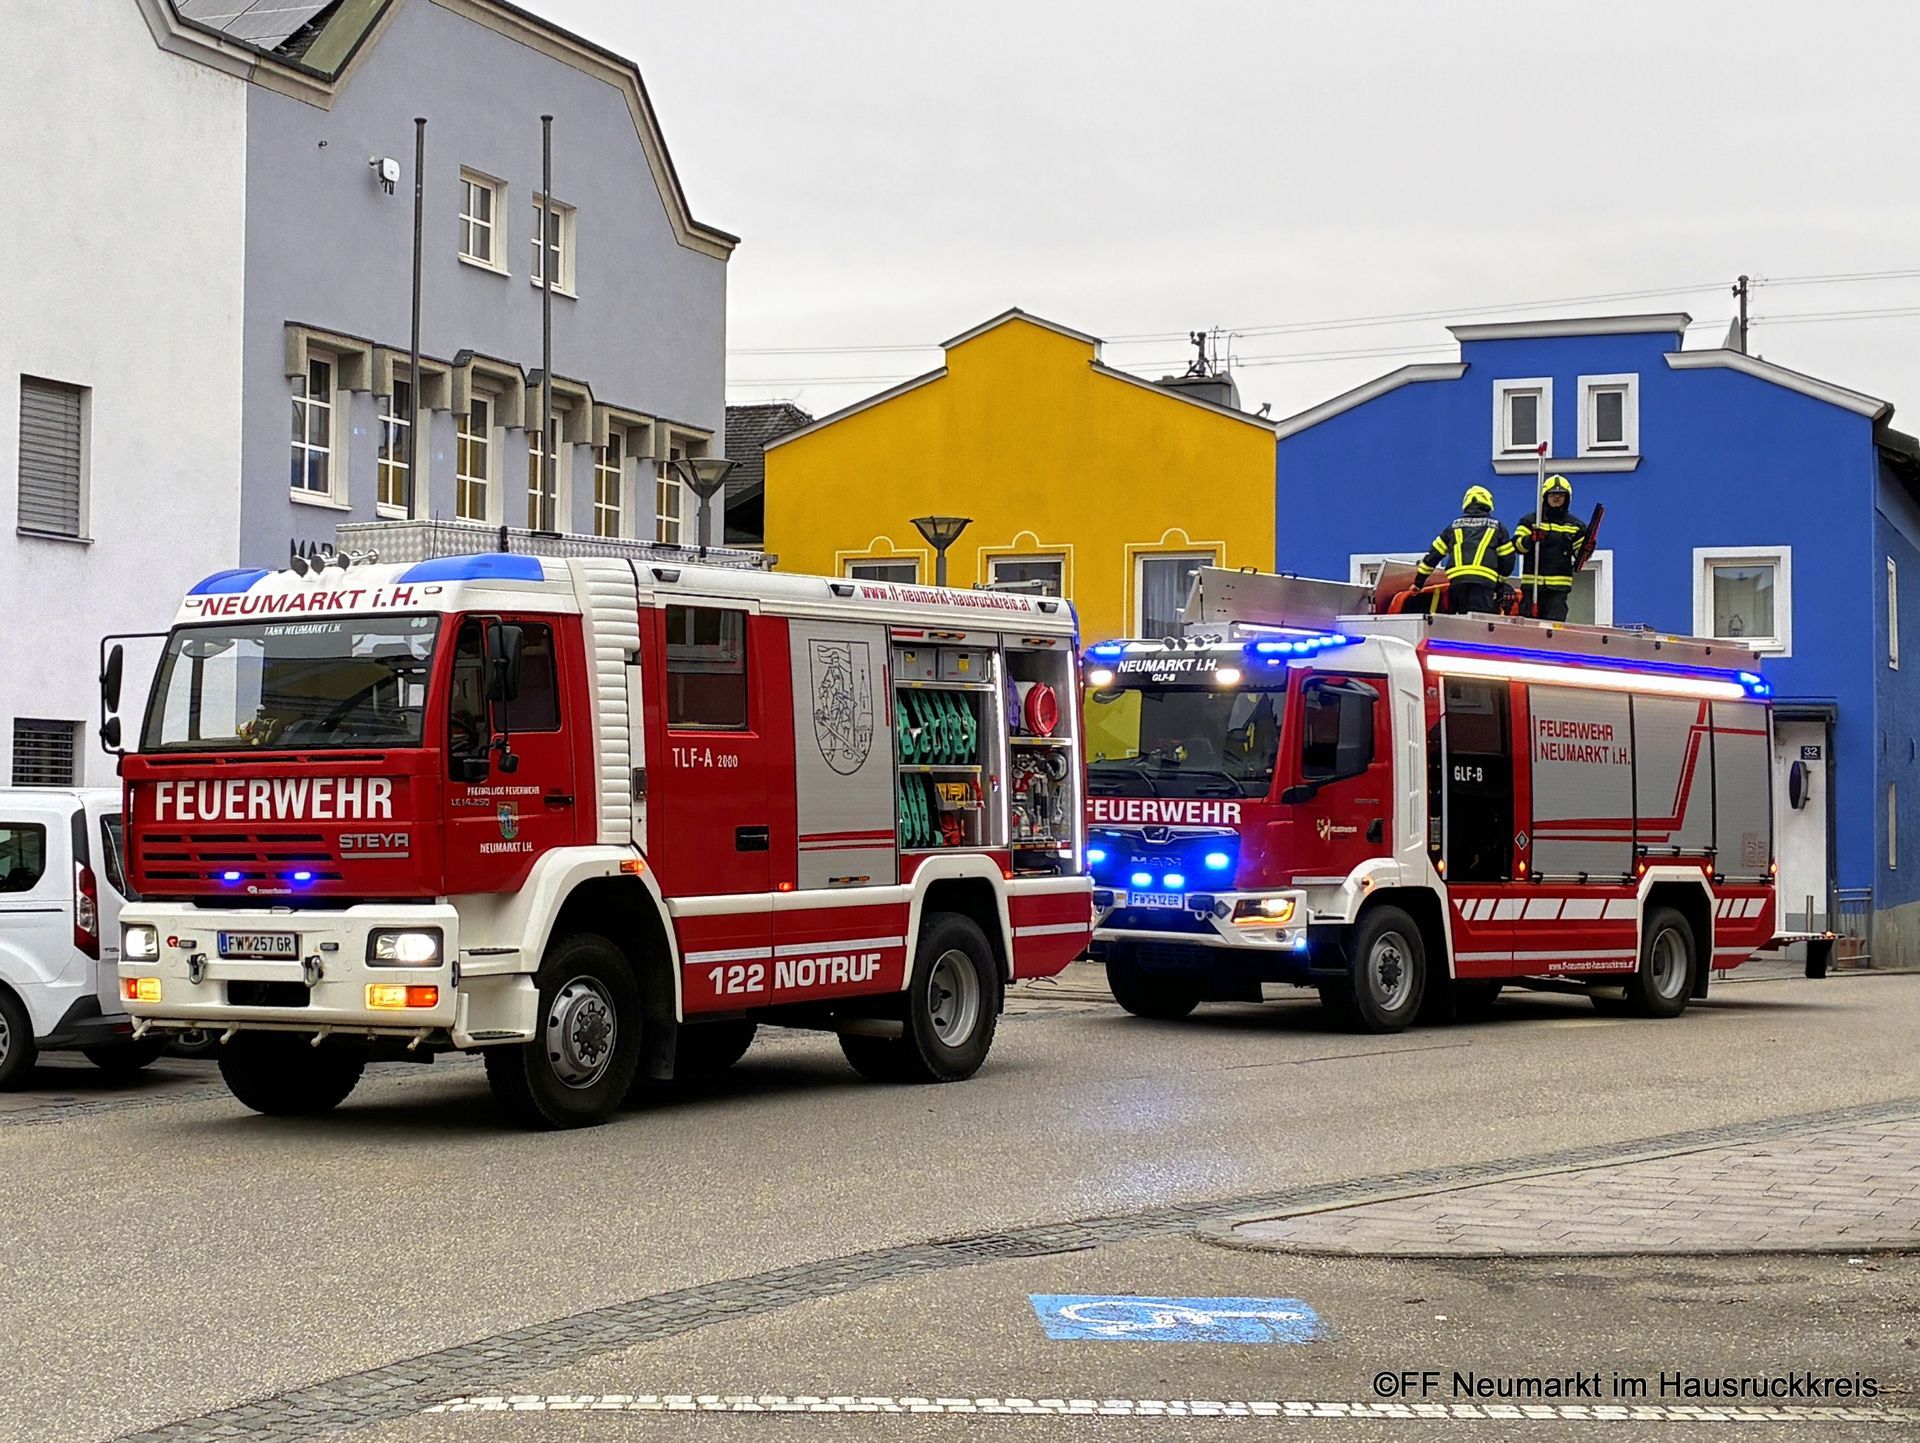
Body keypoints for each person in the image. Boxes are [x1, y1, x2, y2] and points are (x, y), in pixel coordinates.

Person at [1414, 485, 1514, 615]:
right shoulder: (1497, 528)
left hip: (1458, 583)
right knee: (1480, 622)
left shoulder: (1453, 527)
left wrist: (1418, 583)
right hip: (1484, 584)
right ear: (1488, 503)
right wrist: (1500, 583)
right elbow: (1508, 562)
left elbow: (1433, 556)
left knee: (1459, 621)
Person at [1511, 474, 1591, 622]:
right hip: (1532, 588)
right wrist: (1531, 539)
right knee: (1529, 629)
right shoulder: (1530, 521)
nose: (1557, 498)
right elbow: (1517, 545)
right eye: (1553, 494)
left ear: (1567, 498)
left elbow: (1580, 555)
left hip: (1558, 590)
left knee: (1554, 628)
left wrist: (1588, 548)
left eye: (1561, 495)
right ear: (1545, 496)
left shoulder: (1575, 526)